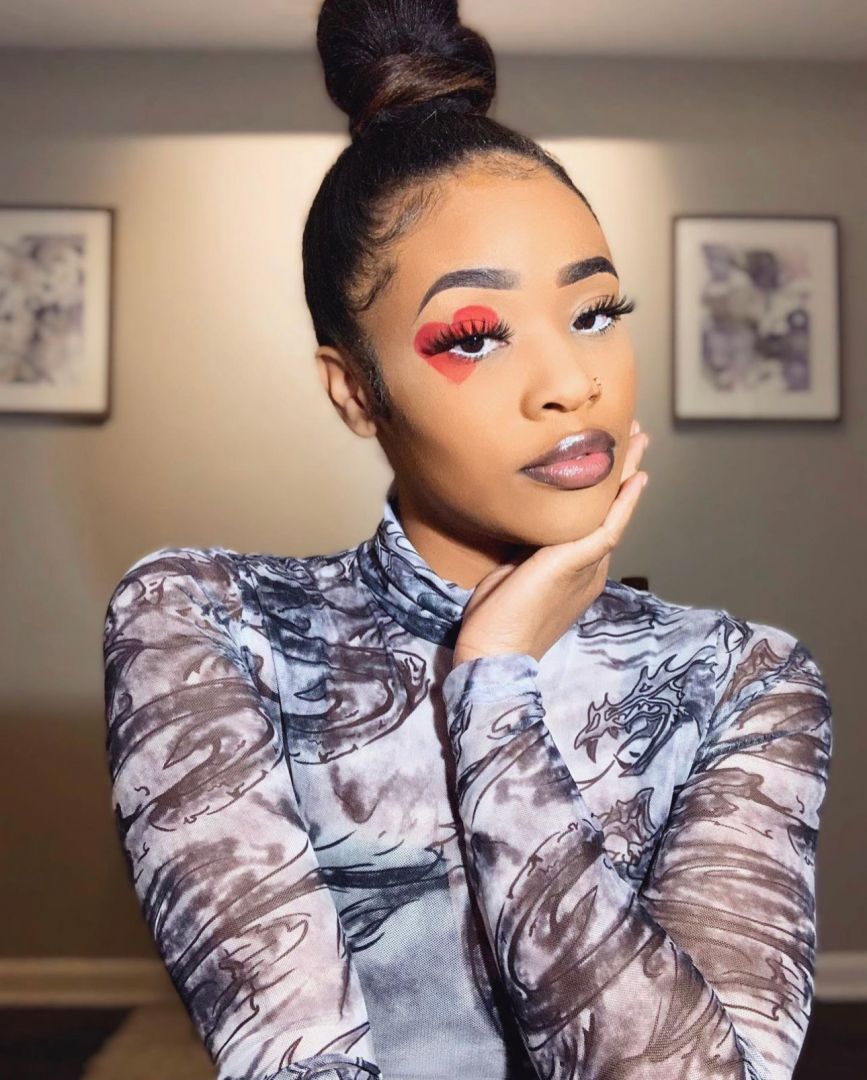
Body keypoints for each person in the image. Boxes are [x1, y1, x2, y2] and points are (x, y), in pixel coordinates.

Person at [102, 2, 833, 1079]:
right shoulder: (207, 624)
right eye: (477, 335)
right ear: (356, 391)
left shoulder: (744, 680)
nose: (571, 382)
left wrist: (495, 686)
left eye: (594, 313)